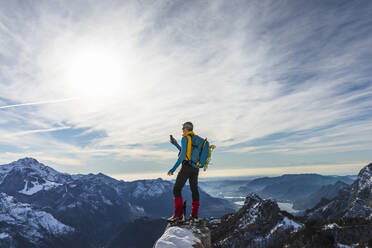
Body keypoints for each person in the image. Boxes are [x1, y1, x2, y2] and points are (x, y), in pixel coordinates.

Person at [167, 121, 200, 222]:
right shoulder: (195, 139)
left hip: (186, 167)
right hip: (195, 168)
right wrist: (175, 144)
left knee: (176, 189)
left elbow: (183, 156)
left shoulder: (185, 138)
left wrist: (173, 169)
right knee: (194, 189)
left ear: (186, 128)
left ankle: (178, 215)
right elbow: (186, 152)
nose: (182, 130)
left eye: (183, 128)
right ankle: (194, 215)